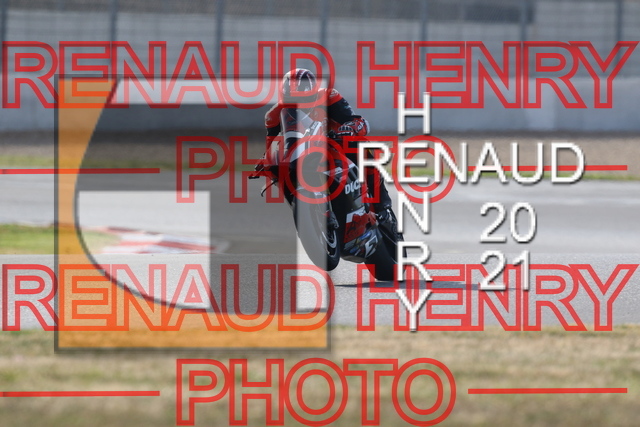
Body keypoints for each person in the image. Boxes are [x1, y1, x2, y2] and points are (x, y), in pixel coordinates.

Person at [256, 68, 395, 224]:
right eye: (292, 100)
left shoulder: (329, 96)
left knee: (361, 146)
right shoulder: (274, 115)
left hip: (333, 145)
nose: (299, 105)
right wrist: (266, 160)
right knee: (277, 170)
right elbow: (272, 145)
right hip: (299, 154)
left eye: (304, 99)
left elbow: (357, 121)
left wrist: (349, 128)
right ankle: (305, 209)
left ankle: (383, 206)